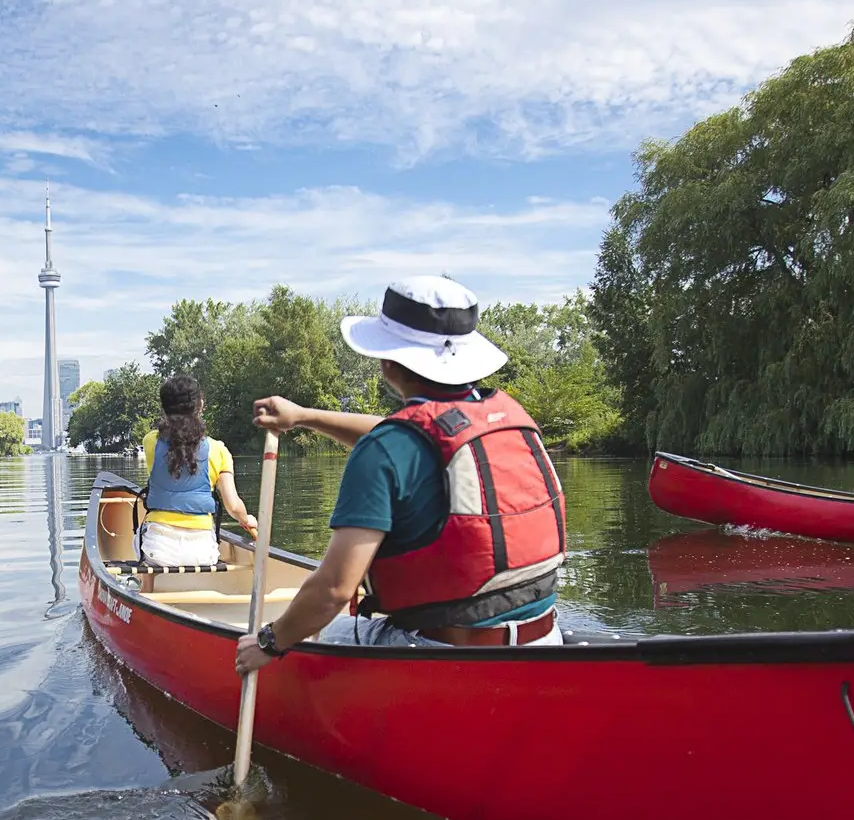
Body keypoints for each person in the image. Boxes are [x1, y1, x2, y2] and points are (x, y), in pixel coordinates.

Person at [235, 276, 567, 676]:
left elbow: (333, 592)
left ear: (388, 361)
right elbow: (400, 431)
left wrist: (270, 641)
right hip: (546, 640)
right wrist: (304, 417)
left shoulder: (387, 450)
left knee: (322, 632)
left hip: (444, 653)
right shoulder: (502, 418)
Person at [139, 374, 256, 566]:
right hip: (203, 554)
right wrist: (246, 518)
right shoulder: (219, 450)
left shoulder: (150, 441)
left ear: (164, 407)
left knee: (139, 536)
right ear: (200, 405)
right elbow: (233, 506)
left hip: (157, 551)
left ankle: (147, 591)